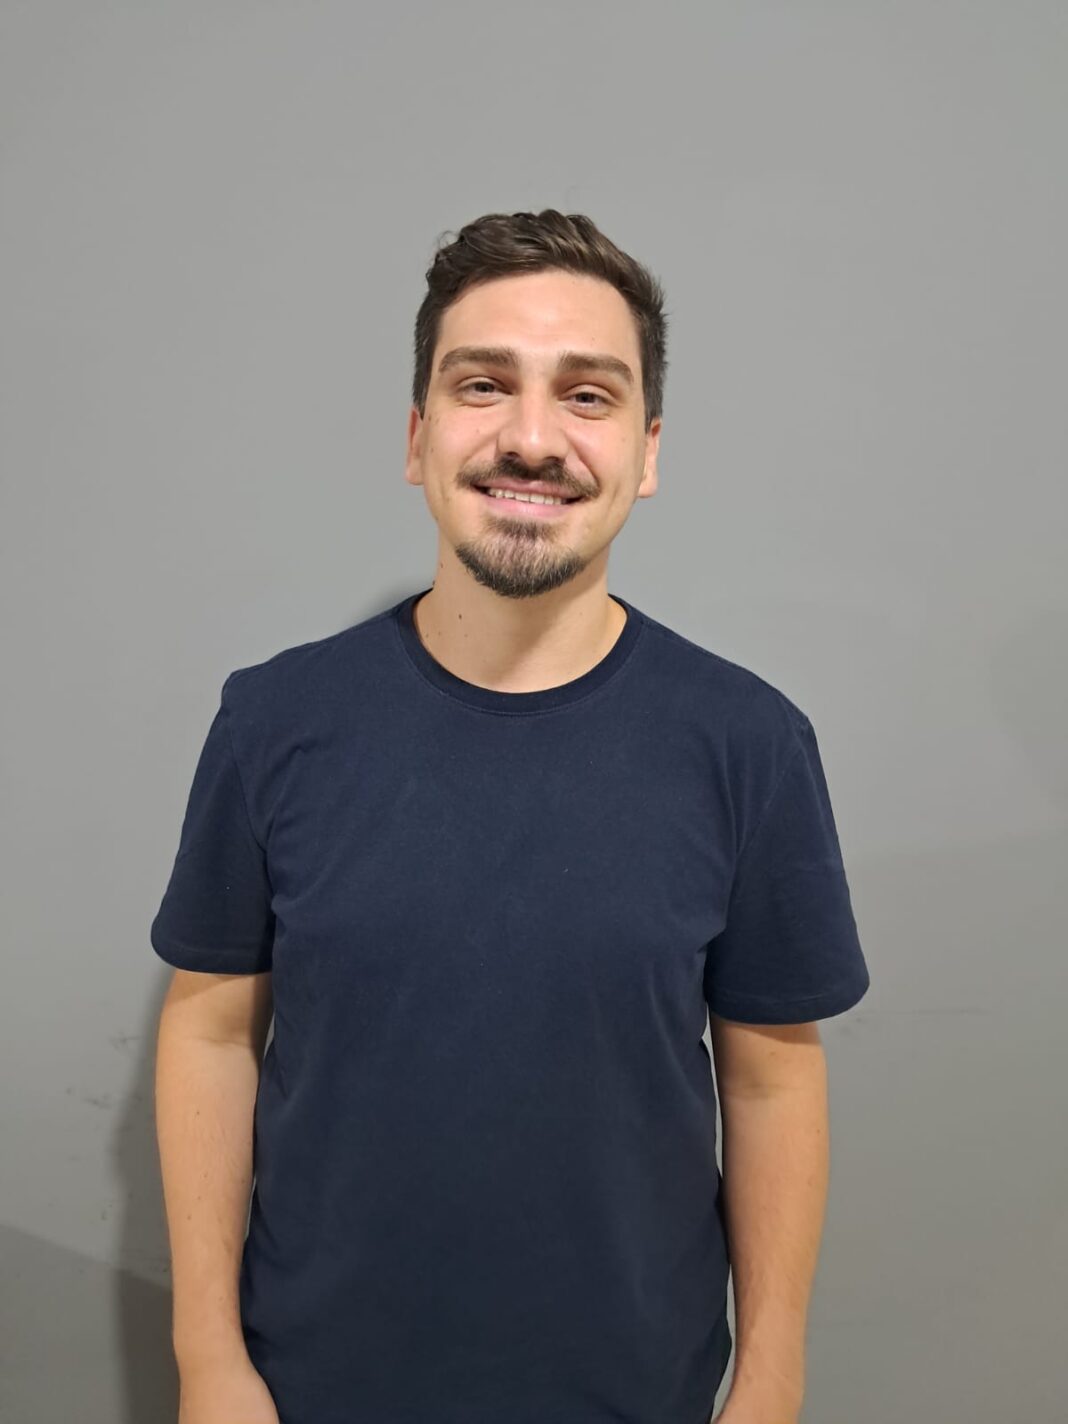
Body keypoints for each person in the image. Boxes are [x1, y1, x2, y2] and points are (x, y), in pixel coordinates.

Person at [151, 208, 870, 1424]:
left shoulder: (749, 744)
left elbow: (770, 1080)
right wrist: (208, 1360)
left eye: (588, 396)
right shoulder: (274, 720)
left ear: (646, 451)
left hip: (640, 1392)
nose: (532, 438)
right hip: (313, 1390)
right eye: (483, 385)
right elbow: (212, 1028)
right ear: (418, 436)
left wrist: (772, 1381)